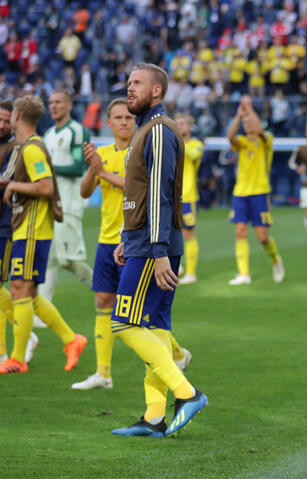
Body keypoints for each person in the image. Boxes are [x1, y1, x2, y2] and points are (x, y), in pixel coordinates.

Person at [108, 63, 207, 436]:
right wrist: (125, 237)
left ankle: (187, 393)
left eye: (138, 83)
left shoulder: (160, 131)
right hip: (143, 241)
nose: (129, 88)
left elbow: (162, 195)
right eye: (128, 82)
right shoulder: (146, 129)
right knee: (156, 325)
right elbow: (139, 193)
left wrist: (157, 249)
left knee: (123, 322)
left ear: (157, 92)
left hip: (153, 246)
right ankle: (154, 416)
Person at [71, 99, 192, 390]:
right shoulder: (101, 154)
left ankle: (175, 355)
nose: (124, 122)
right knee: (103, 301)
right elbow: (85, 192)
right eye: (117, 117)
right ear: (108, 123)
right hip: (107, 240)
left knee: (139, 313)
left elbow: (137, 187)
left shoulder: (141, 147)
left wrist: (101, 172)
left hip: (138, 242)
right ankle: (103, 373)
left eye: (127, 116)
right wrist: (93, 170)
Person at [0, 95, 88, 375]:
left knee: (19, 291)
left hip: (33, 229)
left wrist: (13, 186)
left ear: (16, 117)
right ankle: (72, 339)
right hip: (28, 228)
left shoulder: (32, 148)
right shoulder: (30, 146)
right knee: (28, 293)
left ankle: (17, 358)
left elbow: (46, 187)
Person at [39, 90, 93, 311]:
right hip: (51, 202)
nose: (53, 106)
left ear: (69, 105)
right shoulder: (49, 134)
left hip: (69, 202)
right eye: (51, 102)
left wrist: (50, 170)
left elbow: (79, 166)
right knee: (50, 258)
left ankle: (110, 292)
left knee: (66, 260)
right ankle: (43, 312)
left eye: (58, 102)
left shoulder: (77, 131)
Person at [226, 95, 285, 285]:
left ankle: (276, 260)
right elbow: (230, 136)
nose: (248, 123)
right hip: (241, 193)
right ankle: (244, 274)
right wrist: (238, 116)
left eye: (250, 120)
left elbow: (259, 129)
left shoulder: (266, 140)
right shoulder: (242, 142)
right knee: (240, 232)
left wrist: (249, 108)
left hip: (260, 192)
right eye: (245, 122)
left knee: (262, 237)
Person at [0, 100, 39, 365]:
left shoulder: (17, 148)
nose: (2, 125)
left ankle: (8, 349)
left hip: (7, 225)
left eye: (6, 120)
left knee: (11, 287)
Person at [175, 114, 204, 285]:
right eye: (176, 124)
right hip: (171, 197)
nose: (179, 126)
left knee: (188, 233)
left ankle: (191, 273)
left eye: (182, 124)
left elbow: (192, 155)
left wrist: (178, 141)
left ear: (190, 126)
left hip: (188, 197)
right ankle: (176, 268)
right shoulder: (173, 145)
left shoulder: (196, 145)